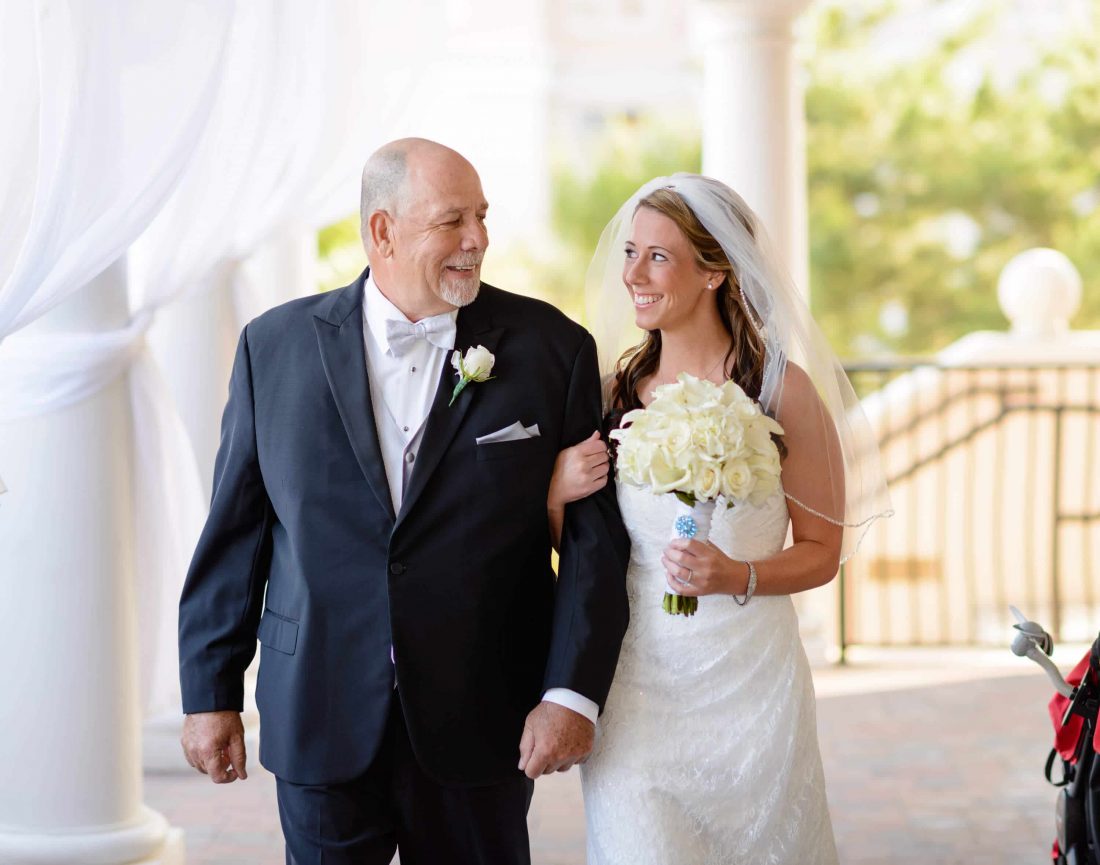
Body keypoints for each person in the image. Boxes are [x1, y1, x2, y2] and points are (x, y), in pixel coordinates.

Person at [177, 137, 630, 865]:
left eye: (481, 217)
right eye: (452, 221)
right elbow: (237, 533)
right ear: (382, 230)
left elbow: (593, 545)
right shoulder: (274, 347)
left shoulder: (551, 348)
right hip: (318, 706)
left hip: (483, 711)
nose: (477, 240)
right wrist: (209, 690)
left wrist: (570, 693)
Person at [549, 174, 892, 863]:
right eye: (630, 252)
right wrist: (555, 494)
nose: (634, 275)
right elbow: (586, 553)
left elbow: (824, 549)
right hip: (637, 692)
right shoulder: (614, 393)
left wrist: (738, 571)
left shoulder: (780, 391)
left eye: (658, 257)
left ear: (715, 272)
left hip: (751, 695)